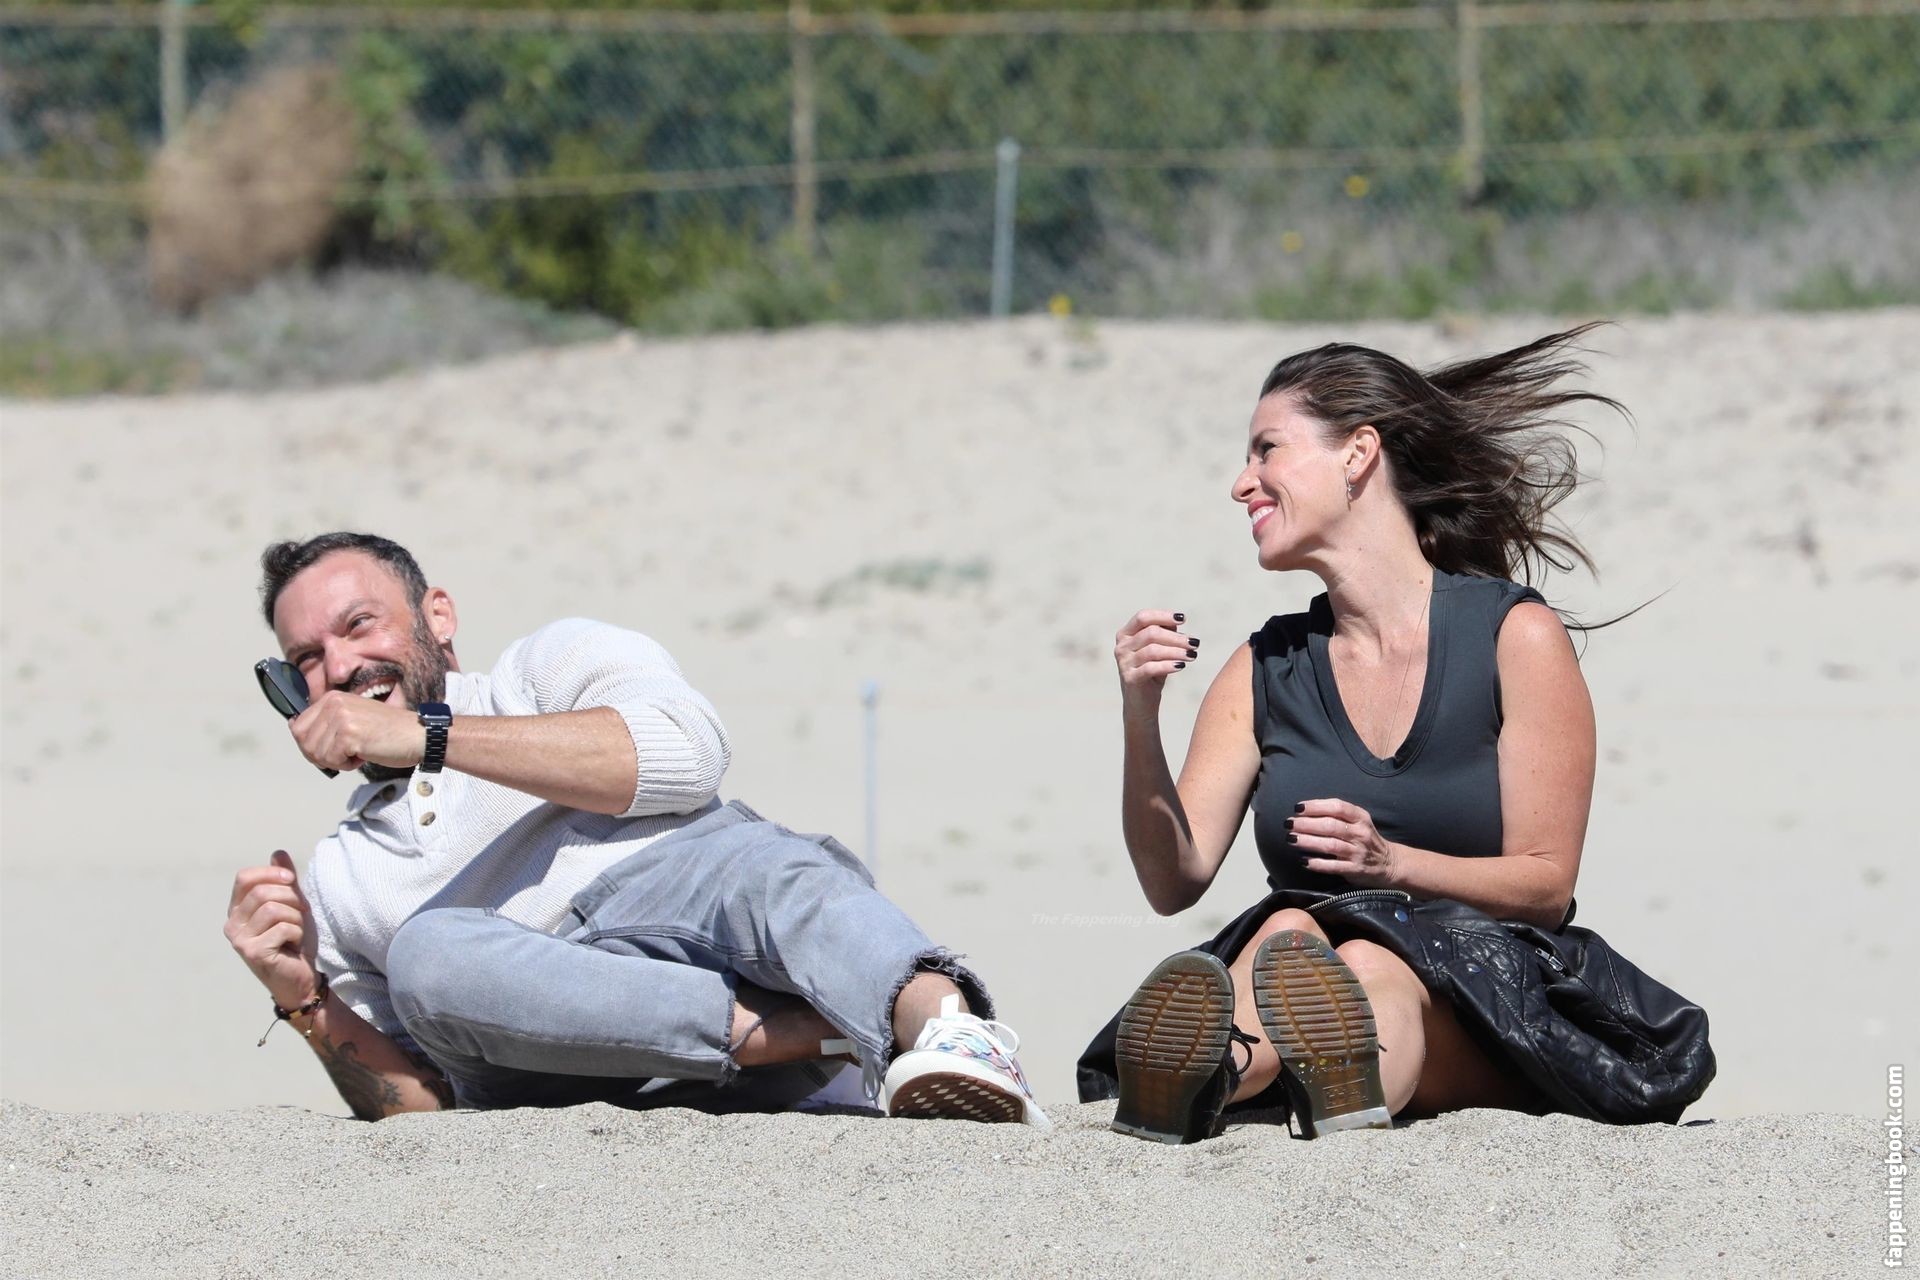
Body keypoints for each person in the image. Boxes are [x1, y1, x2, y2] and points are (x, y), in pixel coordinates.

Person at [1078, 324, 1712, 1143]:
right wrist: (1139, 711)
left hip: (1484, 991)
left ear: (1358, 453)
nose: (1242, 484)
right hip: (1304, 965)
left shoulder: (1513, 638)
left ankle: (1304, 1074)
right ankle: (1212, 1070)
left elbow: (1546, 884)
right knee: (1286, 932)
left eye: (1267, 451)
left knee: (1369, 960)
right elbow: (1174, 879)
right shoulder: (1263, 667)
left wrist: (1392, 864)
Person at [224, 532, 1047, 1126]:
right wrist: (303, 997)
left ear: (437, 615)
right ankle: (827, 1030)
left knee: (760, 866)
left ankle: (948, 1031)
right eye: (308, 658)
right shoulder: (340, 876)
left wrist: (430, 737)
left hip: (694, 904)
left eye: (359, 625)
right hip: (561, 1071)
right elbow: (422, 1107)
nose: (340, 668)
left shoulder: (546, 666)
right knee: (428, 954)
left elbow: (689, 758)